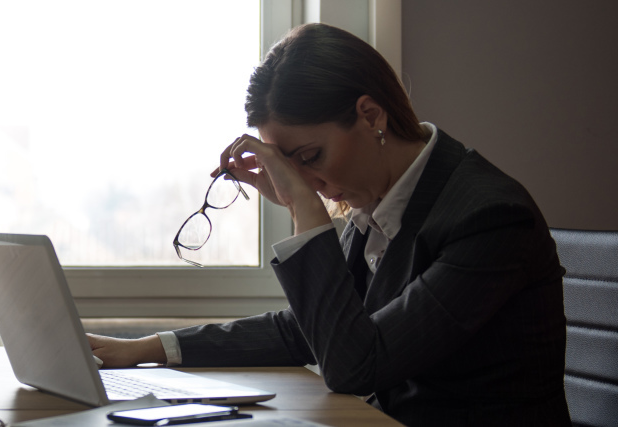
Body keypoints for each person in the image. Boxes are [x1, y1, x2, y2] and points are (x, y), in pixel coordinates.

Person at [88, 23, 569, 426]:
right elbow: (310, 331)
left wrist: (304, 210)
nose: (308, 183)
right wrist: (142, 349)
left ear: (370, 115)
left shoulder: (489, 218)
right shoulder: (380, 201)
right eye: (290, 166)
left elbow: (358, 365)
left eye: (310, 156)